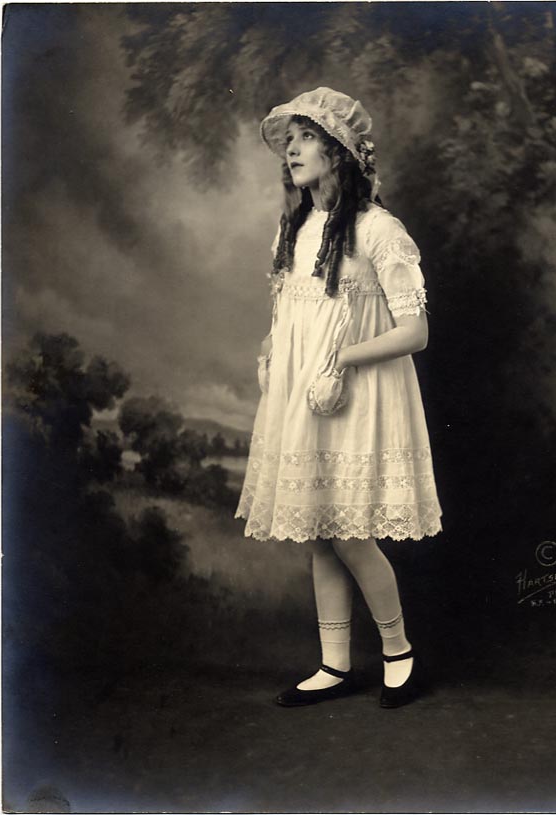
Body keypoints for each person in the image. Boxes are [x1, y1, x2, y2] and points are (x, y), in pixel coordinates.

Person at [235, 87, 443, 708]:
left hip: (354, 394)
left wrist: (343, 359)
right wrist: (271, 349)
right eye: (290, 140)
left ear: (340, 152)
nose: (293, 150)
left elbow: (415, 332)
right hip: (303, 395)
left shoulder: (380, 230)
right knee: (319, 531)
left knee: (350, 533)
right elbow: (293, 314)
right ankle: (335, 663)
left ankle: (399, 653)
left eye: (308, 138)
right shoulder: (294, 228)